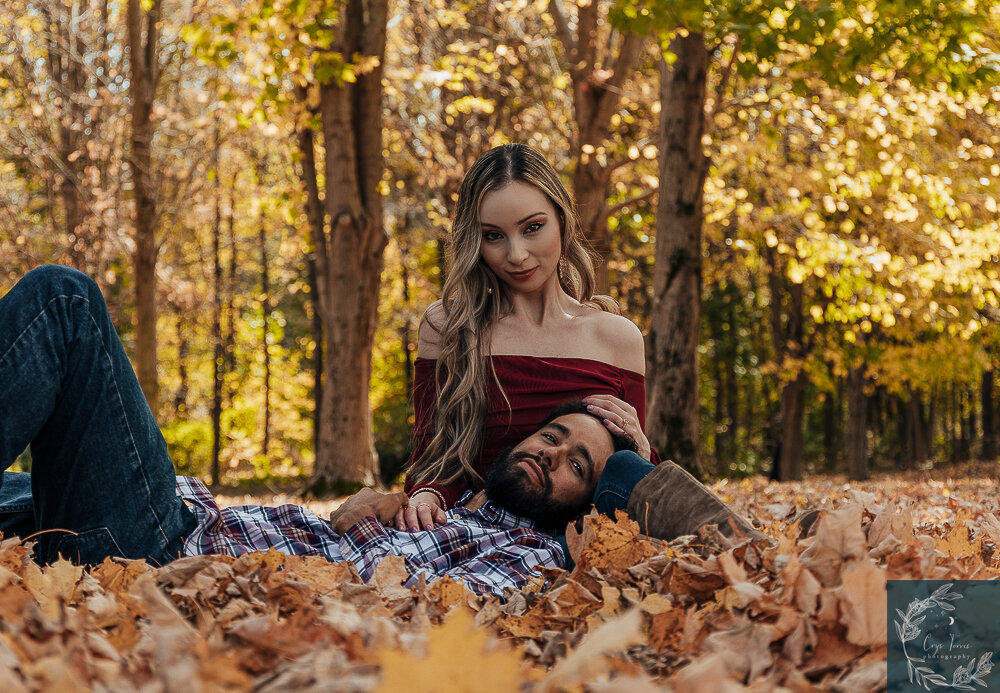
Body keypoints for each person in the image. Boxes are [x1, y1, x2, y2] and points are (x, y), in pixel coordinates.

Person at [0, 264, 648, 597]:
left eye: (577, 466)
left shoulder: (526, 556)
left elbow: (662, 510)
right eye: (555, 434)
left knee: (66, 302)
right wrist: (370, 509)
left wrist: (631, 464)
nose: (551, 452)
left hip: (160, 552)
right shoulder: (451, 511)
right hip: (179, 512)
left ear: (587, 506)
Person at [402, 143, 658, 532]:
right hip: (473, 527)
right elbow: (432, 461)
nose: (517, 254)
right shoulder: (449, 326)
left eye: (532, 228)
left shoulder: (617, 338)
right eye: (494, 236)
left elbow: (629, 480)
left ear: (562, 219)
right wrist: (426, 495)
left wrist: (641, 451)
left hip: (578, 546)